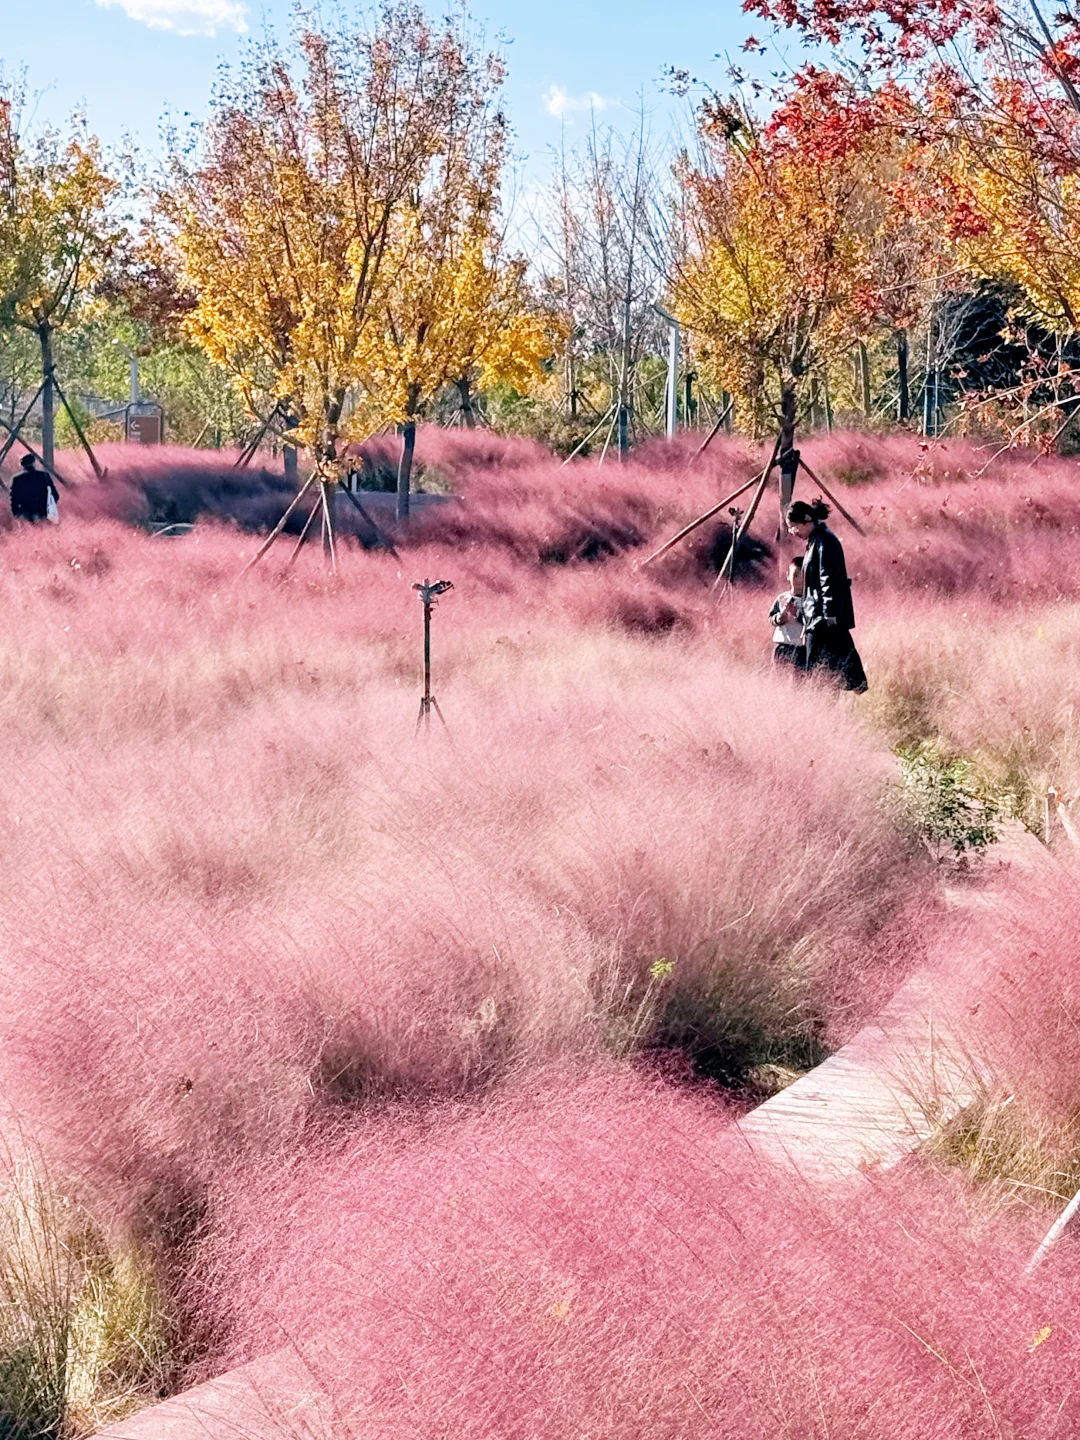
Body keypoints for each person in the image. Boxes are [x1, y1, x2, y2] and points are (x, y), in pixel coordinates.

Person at [786, 498, 868, 693]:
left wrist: (828, 614)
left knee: (822, 671)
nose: (792, 531)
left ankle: (825, 703)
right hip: (817, 617)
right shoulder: (817, 540)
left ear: (806, 521)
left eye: (793, 526)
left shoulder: (824, 541)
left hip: (821, 619)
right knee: (827, 669)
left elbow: (828, 580)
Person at [769, 557, 807, 669]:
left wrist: (797, 613)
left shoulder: (809, 600)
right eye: (795, 575)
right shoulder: (782, 598)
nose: (799, 580)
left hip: (801, 648)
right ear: (788, 576)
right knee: (779, 675)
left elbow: (812, 622)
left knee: (799, 677)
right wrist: (778, 619)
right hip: (782, 645)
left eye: (803, 576)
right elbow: (771, 617)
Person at [10, 453, 60, 524]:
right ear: (33, 463)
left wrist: (16, 514)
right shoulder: (44, 476)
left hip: (25, 514)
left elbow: (13, 499)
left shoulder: (17, 479)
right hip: (42, 512)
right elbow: (55, 495)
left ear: (22, 465)